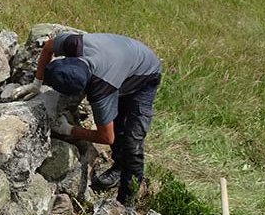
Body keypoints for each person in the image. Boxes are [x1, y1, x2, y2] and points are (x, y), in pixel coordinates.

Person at [13, 32, 162, 204]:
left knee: (132, 140)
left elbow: (106, 137)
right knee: (117, 123)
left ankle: (127, 201)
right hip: (121, 60)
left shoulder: (102, 88)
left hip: (145, 74)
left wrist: (69, 130)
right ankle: (119, 167)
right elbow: (47, 47)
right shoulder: (73, 44)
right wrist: (36, 83)